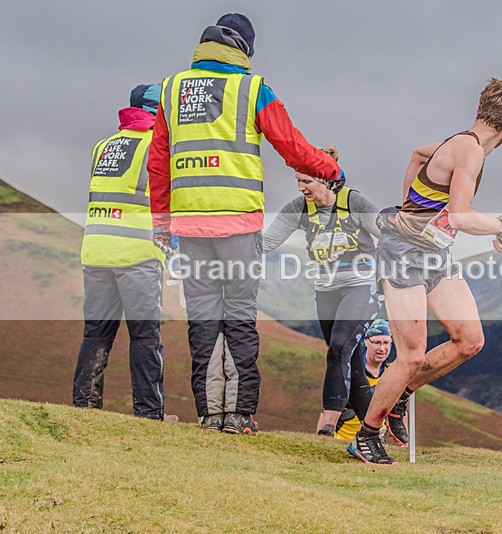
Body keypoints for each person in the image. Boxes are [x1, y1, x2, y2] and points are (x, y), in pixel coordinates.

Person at [147, 13, 344, 435]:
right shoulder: (253, 88)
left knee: (202, 318)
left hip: (188, 223)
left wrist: (161, 222)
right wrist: (329, 169)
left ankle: (209, 414)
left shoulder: (171, 90)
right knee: (238, 316)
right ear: (244, 51)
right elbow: (291, 145)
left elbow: (158, 163)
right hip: (236, 222)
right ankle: (237, 415)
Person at [348, 78, 502, 465]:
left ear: (480, 110)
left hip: (435, 256)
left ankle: (400, 398)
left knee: (470, 339)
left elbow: (416, 154)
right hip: (403, 255)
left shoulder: (459, 145)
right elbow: (461, 216)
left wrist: (408, 204)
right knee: (411, 355)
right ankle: (365, 436)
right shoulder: (470, 151)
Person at [261, 148, 394, 439]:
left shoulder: (353, 202)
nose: (300, 187)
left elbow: (388, 234)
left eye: (306, 181)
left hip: (360, 286)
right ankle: (377, 430)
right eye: (297, 180)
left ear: (325, 178)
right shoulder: (299, 207)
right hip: (325, 291)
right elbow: (267, 241)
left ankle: (327, 427)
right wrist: (224, 238)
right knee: (352, 363)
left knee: (338, 350)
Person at [73, 84, 167, 420]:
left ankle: (84, 406)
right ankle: (148, 413)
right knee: (145, 333)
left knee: (96, 331)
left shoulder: (104, 145)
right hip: (137, 252)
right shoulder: (157, 146)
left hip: (96, 250)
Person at [332, 319, 393, 442]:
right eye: (376, 342)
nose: (382, 348)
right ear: (365, 341)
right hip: (342, 440)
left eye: (386, 343)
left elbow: (401, 411)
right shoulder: (349, 370)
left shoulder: (392, 372)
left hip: (375, 441)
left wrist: (405, 443)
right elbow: (331, 407)